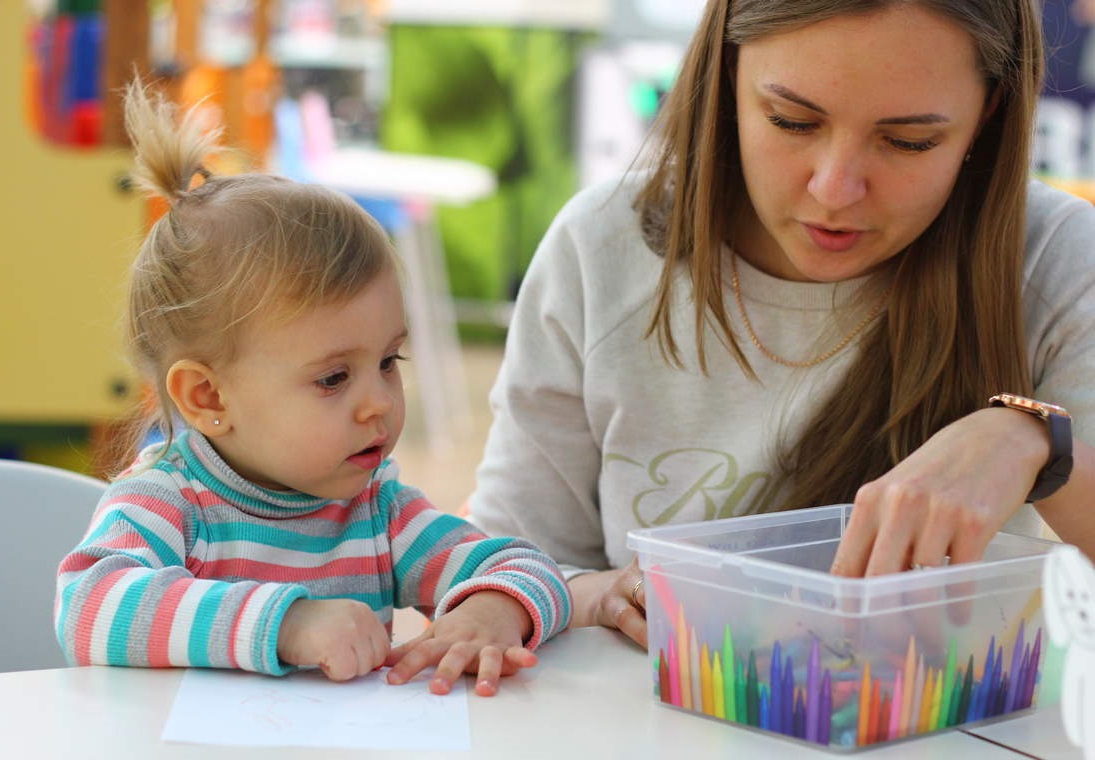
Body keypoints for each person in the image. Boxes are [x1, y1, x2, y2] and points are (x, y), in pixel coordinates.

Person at [469, 0, 1095, 649]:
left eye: (908, 140)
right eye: (790, 121)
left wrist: (1033, 442)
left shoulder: (1056, 260)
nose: (833, 187)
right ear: (725, 77)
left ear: (988, 114)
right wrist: (592, 593)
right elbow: (504, 568)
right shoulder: (601, 247)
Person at [54, 80, 571, 696]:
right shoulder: (170, 502)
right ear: (208, 399)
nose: (380, 400)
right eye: (333, 378)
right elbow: (87, 608)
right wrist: (287, 624)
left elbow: (526, 566)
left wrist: (492, 609)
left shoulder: (377, 511)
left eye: (388, 360)